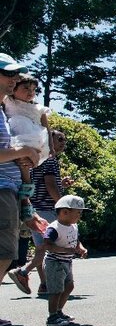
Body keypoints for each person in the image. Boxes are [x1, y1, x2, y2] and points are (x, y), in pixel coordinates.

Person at [0, 53, 47, 326]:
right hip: (2, 188)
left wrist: (26, 201)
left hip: (10, 189)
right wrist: (23, 153)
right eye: (9, 75)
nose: (15, 79)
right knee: (3, 254)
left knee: (6, 254)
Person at [8, 129, 70, 295]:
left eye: (64, 139)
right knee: (46, 248)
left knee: (41, 247)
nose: (63, 142)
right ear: (49, 141)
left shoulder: (37, 159)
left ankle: (44, 284)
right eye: (59, 139)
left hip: (35, 207)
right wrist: (63, 205)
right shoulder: (50, 160)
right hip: (47, 209)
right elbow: (50, 186)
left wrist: (61, 184)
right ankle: (22, 272)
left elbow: (41, 183)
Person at [5, 73, 51, 220]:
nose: (30, 92)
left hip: (34, 140)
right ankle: (26, 201)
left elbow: (47, 128)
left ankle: (26, 202)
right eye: (26, 88)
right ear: (14, 89)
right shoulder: (7, 101)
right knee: (21, 168)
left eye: (33, 89)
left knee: (25, 167)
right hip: (15, 139)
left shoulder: (38, 108)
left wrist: (51, 148)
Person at [42, 195, 90, 326]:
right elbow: (47, 245)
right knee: (56, 290)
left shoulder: (73, 226)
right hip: (54, 262)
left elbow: (76, 241)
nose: (79, 216)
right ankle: (52, 317)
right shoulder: (54, 228)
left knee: (69, 286)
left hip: (67, 262)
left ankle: (58, 311)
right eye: (78, 213)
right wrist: (63, 250)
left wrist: (81, 248)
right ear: (64, 212)